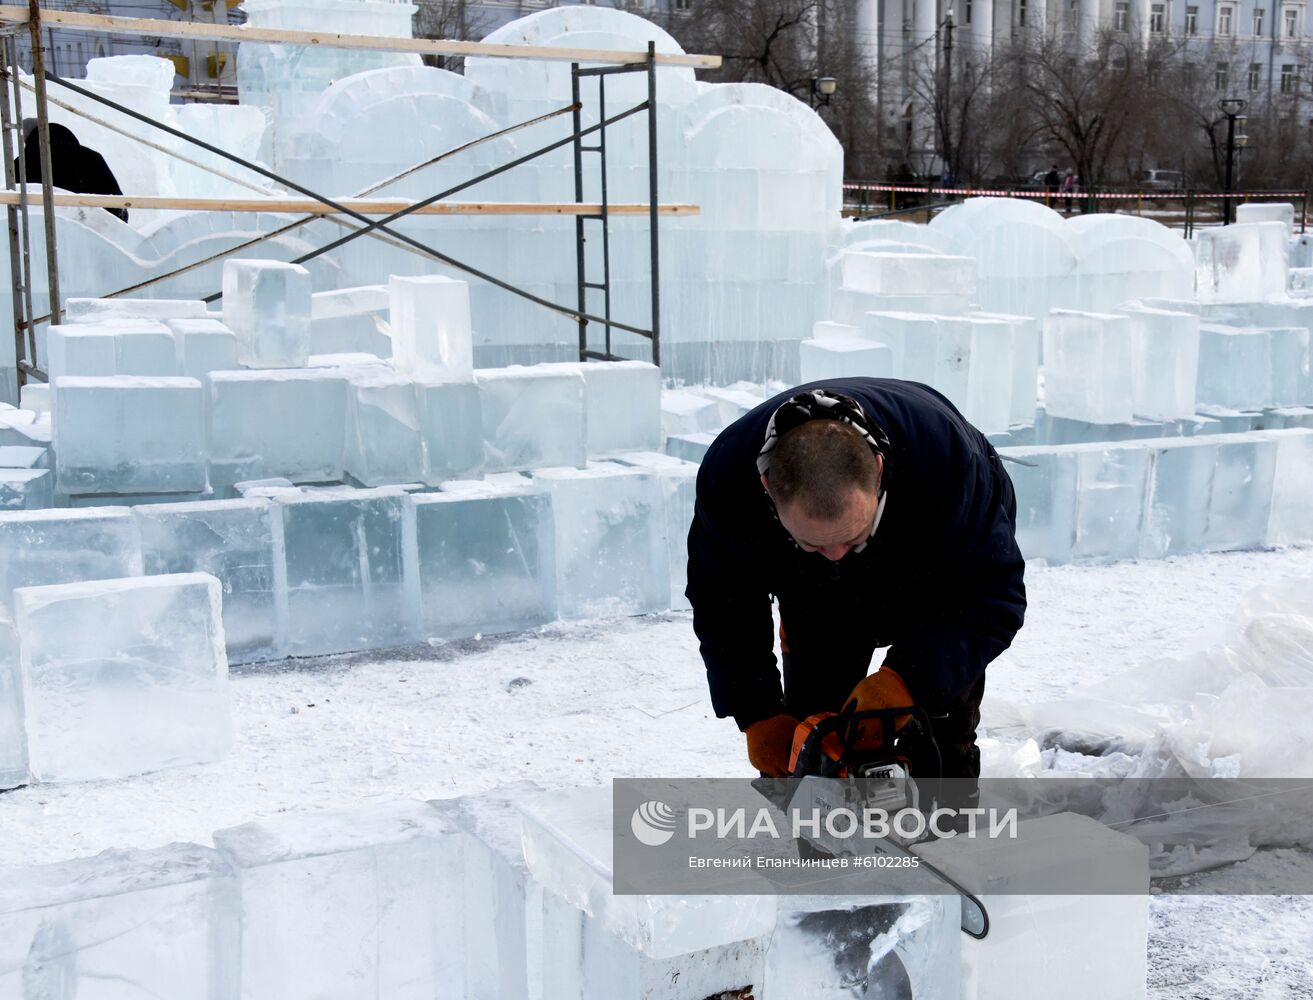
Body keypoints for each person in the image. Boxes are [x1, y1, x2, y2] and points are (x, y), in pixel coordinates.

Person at [686, 379, 1026, 794]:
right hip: (810, 590)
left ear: (878, 471)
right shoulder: (730, 483)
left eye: (853, 537)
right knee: (814, 733)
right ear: (767, 489)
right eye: (813, 542)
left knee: (939, 722)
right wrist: (756, 711)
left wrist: (909, 681)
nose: (837, 556)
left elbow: (990, 596)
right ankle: (820, 834)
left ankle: (944, 829)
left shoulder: (948, 464)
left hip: (936, 567)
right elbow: (724, 602)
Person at [14, 120, 128, 223]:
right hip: (92, 231)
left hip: (35, 235)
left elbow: (14, 208)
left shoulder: (18, 164)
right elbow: (118, 205)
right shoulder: (89, 156)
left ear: (28, 139)